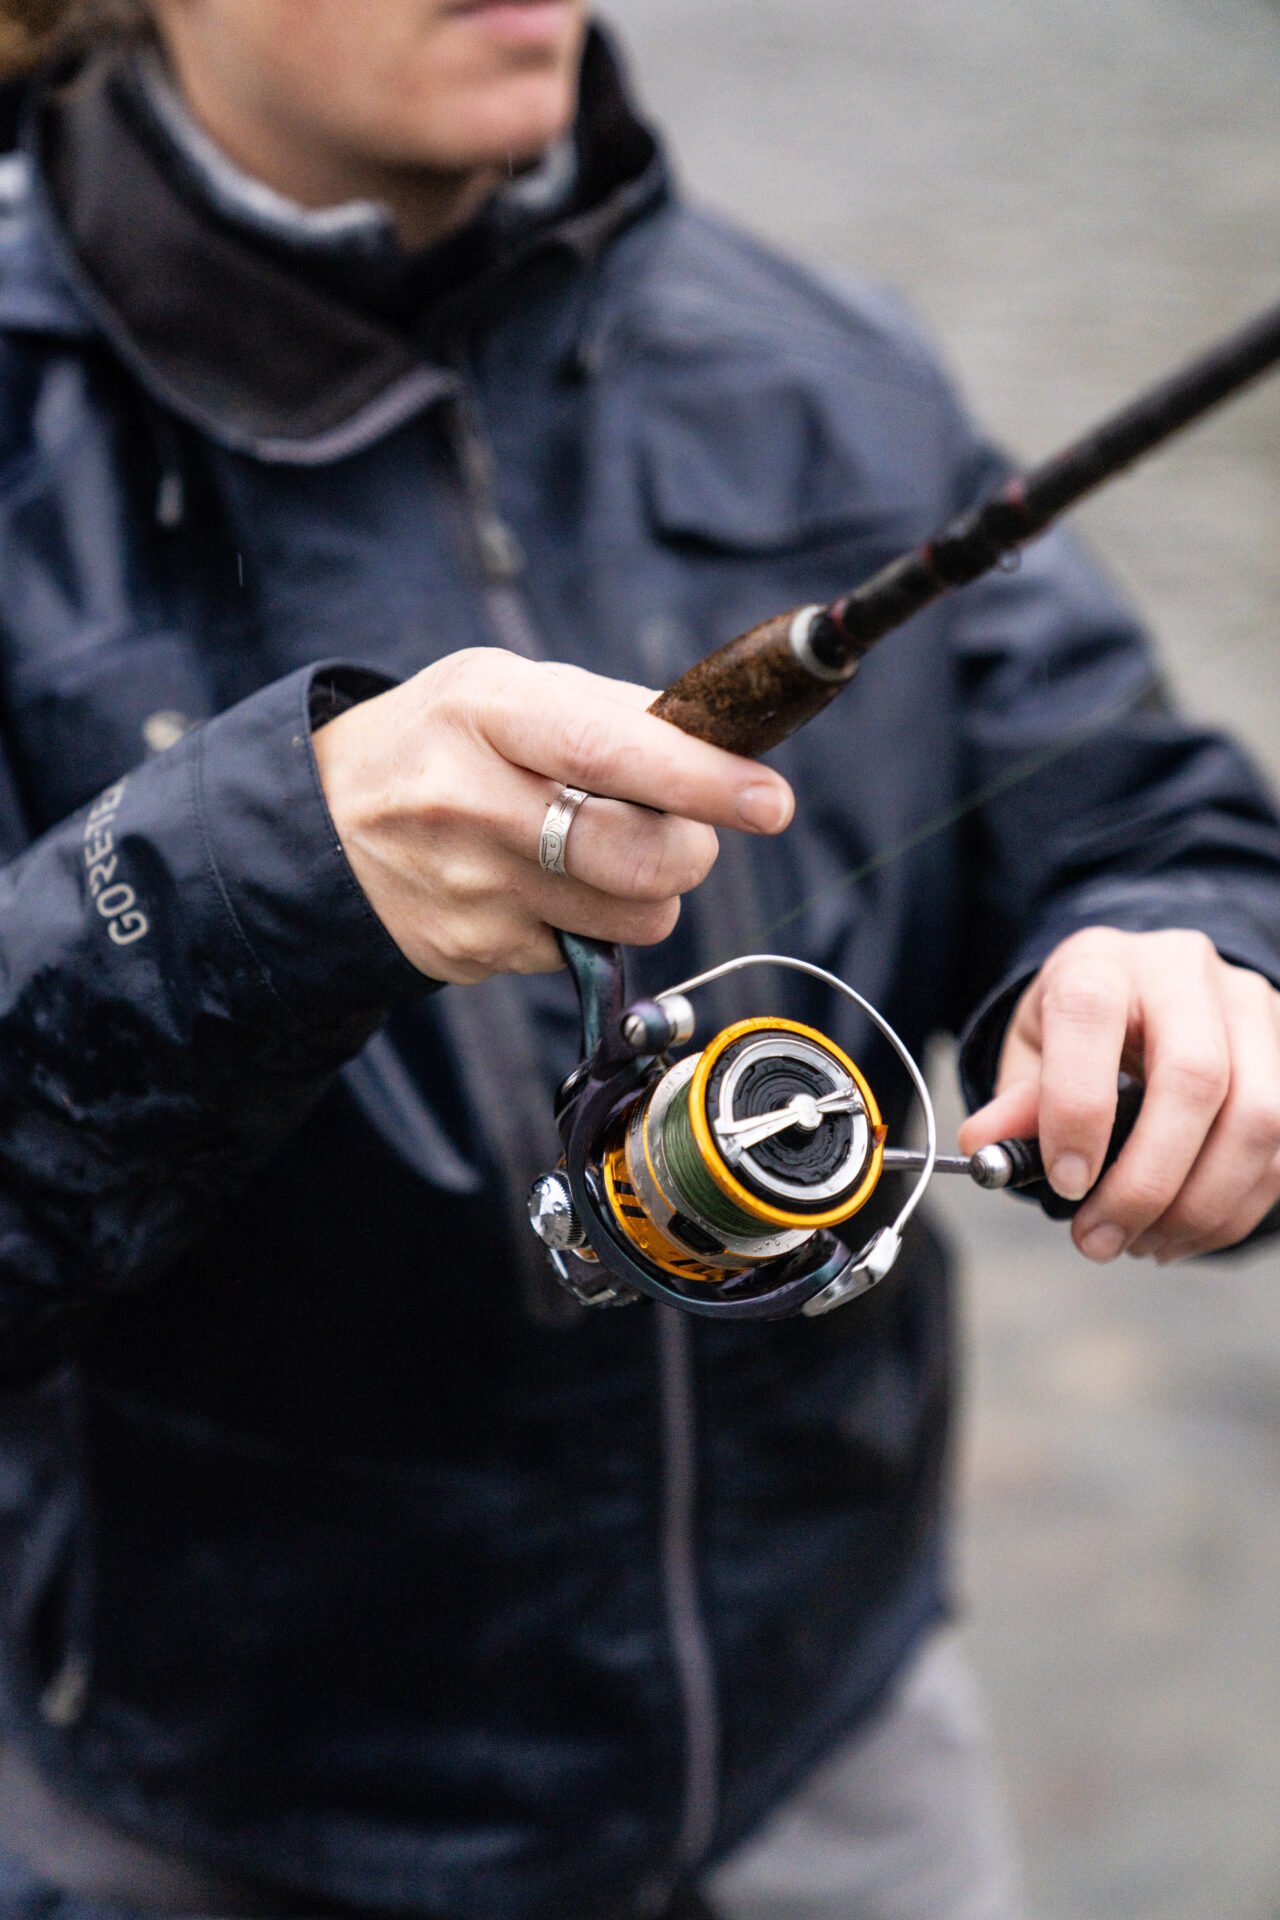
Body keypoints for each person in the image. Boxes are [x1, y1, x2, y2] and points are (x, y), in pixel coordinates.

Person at [0, 3, 1275, 1918]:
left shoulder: (834, 371)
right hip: (207, 1824)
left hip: (844, 1762)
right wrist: (259, 867)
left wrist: (1190, 966)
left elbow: (1139, 812)